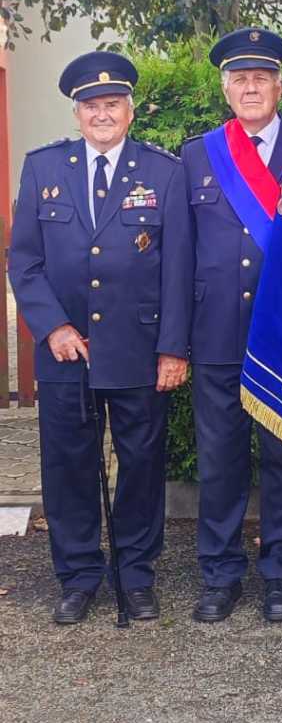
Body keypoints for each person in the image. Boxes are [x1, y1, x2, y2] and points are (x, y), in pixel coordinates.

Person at [9, 51, 191, 624]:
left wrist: (173, 347)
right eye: (91, 106)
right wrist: (53, 327)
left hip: (139, 349)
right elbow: (24, 262)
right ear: (77, 114)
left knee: (141, 466)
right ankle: (79, 575)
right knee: (68, 466)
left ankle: (136, 575)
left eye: (112, 103)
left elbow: (178, 269)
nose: (102, 114)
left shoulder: (163, 172)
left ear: (130, 110)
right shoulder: (43, 168)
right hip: (66, 351)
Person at [181, 28, 282, 623]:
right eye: (241, 79)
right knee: (220, 460)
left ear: (281, 86)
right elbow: (181, 253)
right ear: (225, 89)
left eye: (262, 78)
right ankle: (220, 573)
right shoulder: (198, 154)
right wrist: (176, 340)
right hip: (216, 331)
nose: (251, 87)